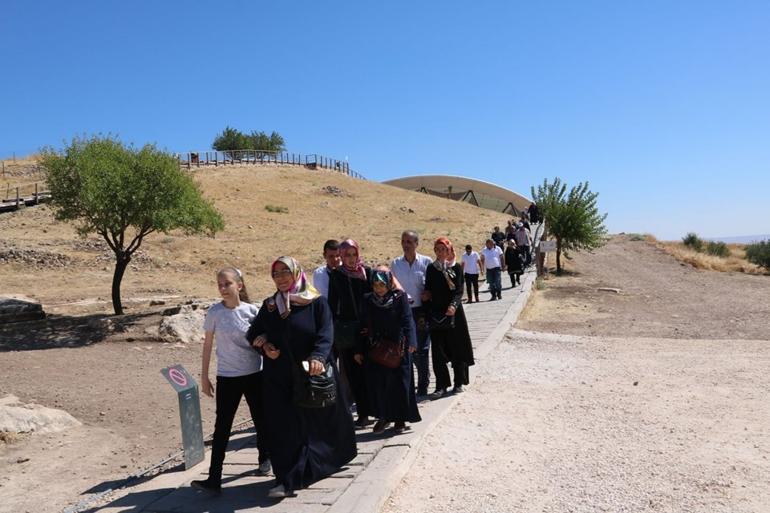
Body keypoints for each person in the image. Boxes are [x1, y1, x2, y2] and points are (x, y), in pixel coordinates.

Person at [246, 257, 356, 499]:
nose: (281, 277)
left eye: (286, 272)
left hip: (310, 373)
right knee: (283, 427)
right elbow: (253, 333)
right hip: (279, 378)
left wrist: (319, 357)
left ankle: (318, 464)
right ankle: (286, 479)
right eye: (276, 274)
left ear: (296, 273)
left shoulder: (315, 302)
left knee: (315, 424)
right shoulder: (270, 306)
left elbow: (326, 334)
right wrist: (264, 345)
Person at [191, 268, 268, 496]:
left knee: (261, 420)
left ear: (239, 286)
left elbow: (264, 339)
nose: (223, 289)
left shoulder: (252, 311)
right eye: (220, 285)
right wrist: (204, 377)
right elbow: (207, 346)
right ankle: (214, 478)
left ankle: (265, 458)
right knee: (221, 428)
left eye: (227, 284)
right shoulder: (215, 313)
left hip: (254, 374)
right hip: (227, 377)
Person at [355, 267, 421, 434]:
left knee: (400, 384)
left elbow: (407, 320)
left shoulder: (400, 298)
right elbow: (362, 325)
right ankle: (383, 418)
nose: (379, 288)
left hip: (399, 348)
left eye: (382, 284)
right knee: (379, 385)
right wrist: (359, 349)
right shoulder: (368, 300)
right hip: (377, 349)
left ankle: (400, 419)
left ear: (389, 283)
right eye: (376, 284)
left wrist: (412, 341)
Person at [328, 239, 373, 427]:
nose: (351, 258)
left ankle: (379, 410)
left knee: (372, 372)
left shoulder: (367, 273)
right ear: (342, 256)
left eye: (354, 254)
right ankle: (363, 414)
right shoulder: (337, 275)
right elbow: (332, 304)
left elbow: (375, 298)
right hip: (348, 331)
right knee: (354, 375)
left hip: (367, 329)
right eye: (347, 255)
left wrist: (372, 324)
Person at [423, 237, 475, 398]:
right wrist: (426, 300)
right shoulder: (432, 269)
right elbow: (428, 289)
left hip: (455, 313)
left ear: (449, 250)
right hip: (437, 314)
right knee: (438, 351)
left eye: (443, 249)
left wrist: (453, 305)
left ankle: (458, 382)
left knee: (457, 348)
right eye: (437, 249)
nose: (440, 252)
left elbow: (459, 290)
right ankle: (441, 385)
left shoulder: (457, 268)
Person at [390, 230, 433, 397]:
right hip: (403, 312)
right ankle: (412, 383)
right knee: (409, 349)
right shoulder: (396, 263)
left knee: (422, 348)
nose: (406, 245)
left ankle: (423, 382)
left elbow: (431, 285)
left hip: (421, 311)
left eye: (409, 242)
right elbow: (393, 285)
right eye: (403, 241)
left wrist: (428, 293)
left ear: (416, 244)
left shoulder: (426, 262)